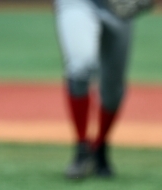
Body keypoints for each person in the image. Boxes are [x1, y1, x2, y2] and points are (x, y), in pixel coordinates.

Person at [54, 0, 151, 179]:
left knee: (113, 88)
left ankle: (100, 147)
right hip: (78, 3)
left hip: (118, 6)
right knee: (80, 65)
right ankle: (82, 148)